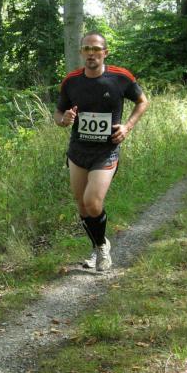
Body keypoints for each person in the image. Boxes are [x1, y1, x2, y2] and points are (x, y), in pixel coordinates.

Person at [54, 32, 149, 271]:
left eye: (96, 49)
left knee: (92, 202)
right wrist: (64, 120)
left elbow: (142, 101)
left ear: (105, 53)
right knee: (81, 205)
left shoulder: (120, 77)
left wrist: (127, 127)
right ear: (81, 53)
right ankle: (98, 246)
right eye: (87, 49)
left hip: (106, 150)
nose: (91, 53)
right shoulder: (71, 81)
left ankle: (103, 248)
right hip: (78, 151)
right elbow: (59, 114)